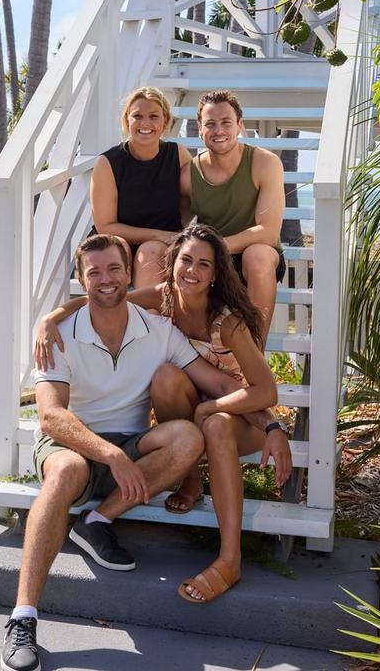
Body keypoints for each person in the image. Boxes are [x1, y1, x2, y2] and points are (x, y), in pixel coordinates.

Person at [34, 225, 291, 609]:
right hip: (192, 409)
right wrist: (50, 318)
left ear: (216, 273)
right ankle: (189, 481)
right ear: (171, 265)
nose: (193, 271)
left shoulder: (229, 322)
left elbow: (263, 391)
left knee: (215, 424)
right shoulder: (162, 298)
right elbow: (103, 297)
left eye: (204, 264)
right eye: (186, 260)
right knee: (167, 378)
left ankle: (229, 559)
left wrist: (269, 423)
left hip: (239, 409)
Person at [180, 89, 286, 340]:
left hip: (254, 253)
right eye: (210, 124)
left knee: (257, 256)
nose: (218, 131)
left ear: (239, 125)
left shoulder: (265, 163)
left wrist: (216, 248)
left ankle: (255, 353)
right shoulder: (187, 175)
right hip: (213, 259)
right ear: (200, 127)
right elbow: (177, 227)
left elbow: (269, 233)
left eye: (226, 122)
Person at [90, 86, 191, 286]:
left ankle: (147, 317)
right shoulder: (108, 162)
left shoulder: (178, 155)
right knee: (116, 251)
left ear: (166, 121)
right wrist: (160, 234)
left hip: (160, 246)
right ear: (127, 119)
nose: (145, 123)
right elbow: (105, 226)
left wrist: (169, 235)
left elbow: (190, 202)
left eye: (154, 116)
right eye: (137, 116)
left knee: (151, 252)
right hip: (119, 240)